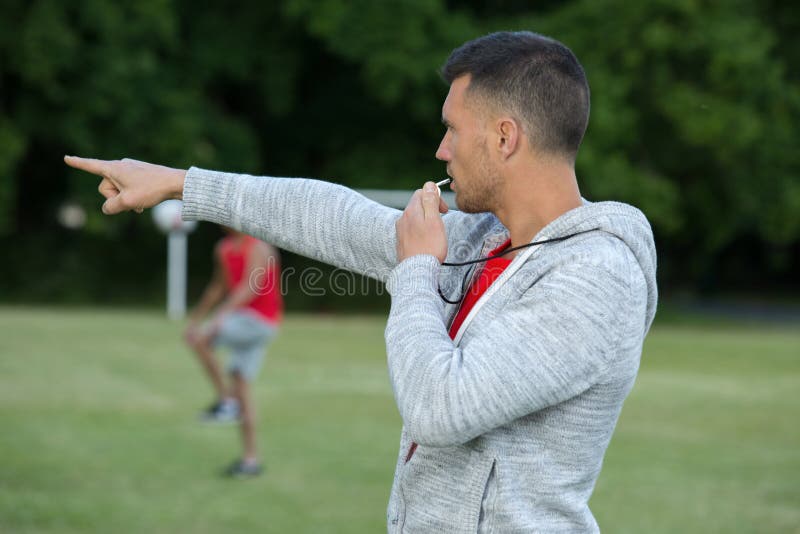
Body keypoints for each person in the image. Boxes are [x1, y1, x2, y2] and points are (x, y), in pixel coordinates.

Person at [66, 30, 657, 533]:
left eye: (453, 129)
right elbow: (329, 215)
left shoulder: (597, 277)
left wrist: (418, 268)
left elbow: (439, 408)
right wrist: (180, 184)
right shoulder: (482, 239)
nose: (440, 148)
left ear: (505, 137)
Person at [184, 226, 282, 477]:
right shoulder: (224, 249)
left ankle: (226, 402)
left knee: (201, 341)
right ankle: (250, 461)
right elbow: (218, 287)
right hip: (241, 318)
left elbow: (250, 288)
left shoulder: (259, 246)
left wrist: (217, 319)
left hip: (259, 321)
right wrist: (196, 319)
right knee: (242, 385)